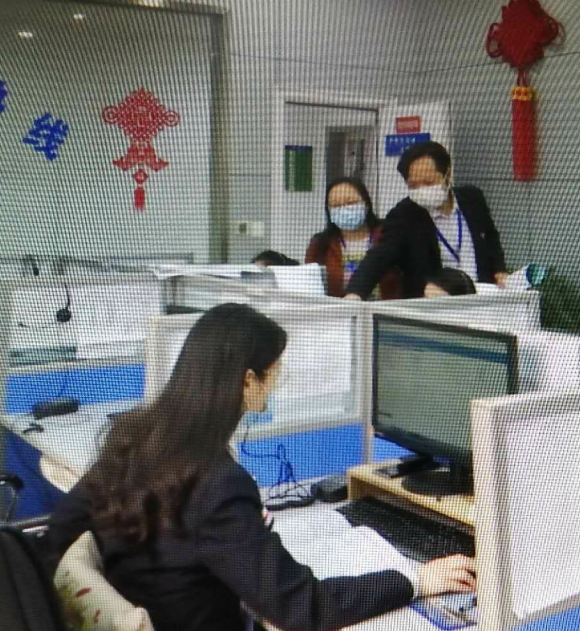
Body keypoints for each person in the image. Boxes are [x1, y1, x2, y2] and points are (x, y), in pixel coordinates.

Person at [48, 303, 476, 631]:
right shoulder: (216, 482)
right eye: (274, 372)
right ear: (248, 381)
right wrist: (414, 580)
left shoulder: (134, 439)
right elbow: (299, 608)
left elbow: (57, 536)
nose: (275, 383)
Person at [344, 141, 508, 299]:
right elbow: (380, 256)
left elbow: (491, 237)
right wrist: (355, 293)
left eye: (429, 182)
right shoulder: (403, 215)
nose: (422, 190)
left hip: (481, 297)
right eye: (414, 185)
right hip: (433, 304)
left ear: (447, 174)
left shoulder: (473, 199)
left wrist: (499, 269)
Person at [305, 177, 400, 298]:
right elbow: (310, 285)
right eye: (336, 205)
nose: (344, 209)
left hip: (387, 308)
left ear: (366, 204)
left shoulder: (389, 235)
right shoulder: (320, 245)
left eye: (350, 203)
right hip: (341, 309)